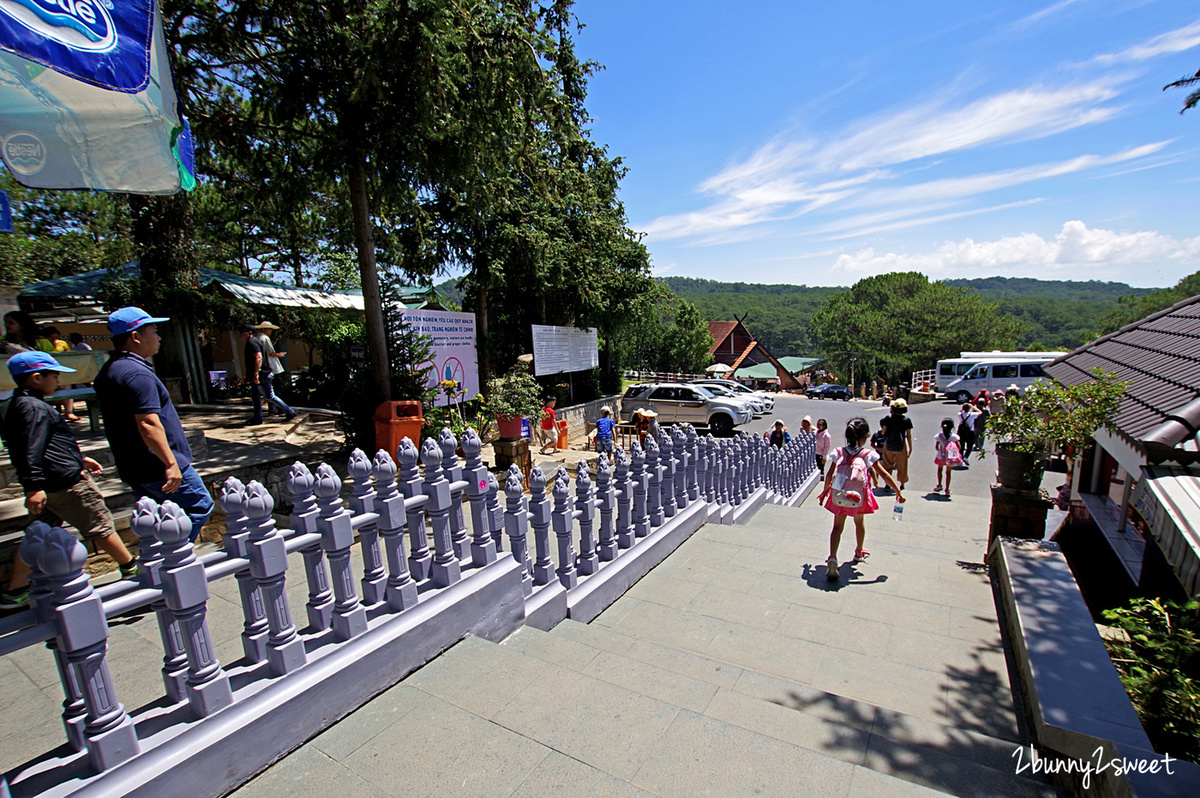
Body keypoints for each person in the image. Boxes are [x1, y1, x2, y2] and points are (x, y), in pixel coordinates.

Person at [0, 352, 137, 609]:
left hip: (51, 483)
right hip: (65, 485)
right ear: (37, 378)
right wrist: (34, 486)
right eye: (55, 376)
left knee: (35, 536)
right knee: (100, 525)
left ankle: (15, 591)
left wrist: (78, 458)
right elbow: (31, 449)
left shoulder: (21, 405)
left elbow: (45, 446)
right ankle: (131, 567)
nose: (59, 381)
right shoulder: (34, 408)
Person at [94, 307, 214, 542]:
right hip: (157, 465)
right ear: (135, 336)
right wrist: (171, 463)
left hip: (133, 465)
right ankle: (173, 558)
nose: (159, 337)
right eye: (154, 331)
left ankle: (157, 559)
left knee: (156, 517)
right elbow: (148, 423)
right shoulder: (137, 374)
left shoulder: (109, 371)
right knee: (199, 505)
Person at [817, 417, 906, 580]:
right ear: (865, 437)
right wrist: (898, 491)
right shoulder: (867, 454)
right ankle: (859, 551)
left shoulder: (838, 452)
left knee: (837, 527)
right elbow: (884, 474)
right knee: (859, 522)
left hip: (839, 495)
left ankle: (832, 557)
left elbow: (829, 474)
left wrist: (825, 492)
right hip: (858, 497)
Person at [238, 323, 295, 426]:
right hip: (260, 374)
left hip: (262, 374)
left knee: (269, 396)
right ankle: (257, 417)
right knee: (255, 396)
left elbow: (258, 357)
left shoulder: (253, 342)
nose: (240, 336)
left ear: (249, 332)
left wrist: (256, 373)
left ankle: (289, 411)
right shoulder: (254, 341)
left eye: (242, 333)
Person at [878, 397, 914, 491]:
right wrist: (910, 448)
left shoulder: (888, 418)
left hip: (888, 444)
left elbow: (883, 432)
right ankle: (902, 484)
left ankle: (888, 484)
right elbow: (908, 435)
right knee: (902, 466)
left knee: (887, 464)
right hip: (901, 445)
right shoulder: (907, 420)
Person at [254, 321, 289, 409]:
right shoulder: (265, 338)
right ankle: (281, 409)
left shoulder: (257, 338)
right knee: (278, 390)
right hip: (273, 367)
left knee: (269, 391)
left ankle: (272, 409)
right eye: (270, 329)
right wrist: (279, 355)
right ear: (266, 329)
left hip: (265, 368)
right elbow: (271, 353)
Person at [933, 418, 964, 497]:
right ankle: (947, 489)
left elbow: (936, 447)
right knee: (948, 472)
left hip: (941, 456)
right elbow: (959, 447)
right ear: (952, 427)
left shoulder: (939, 436)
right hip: (950, 457)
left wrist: (941, 451)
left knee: (940, 470)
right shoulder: (954, 437)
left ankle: (939, 485)